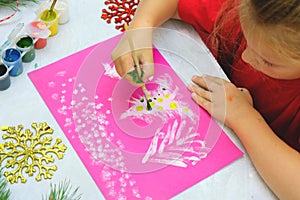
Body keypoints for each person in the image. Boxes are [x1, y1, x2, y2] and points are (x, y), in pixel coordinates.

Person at [111, 0, 300, 199]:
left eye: (268, 62)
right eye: (245, 35)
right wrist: (141, 26)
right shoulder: (257, 9)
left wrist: (245, 118)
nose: (246, 58)